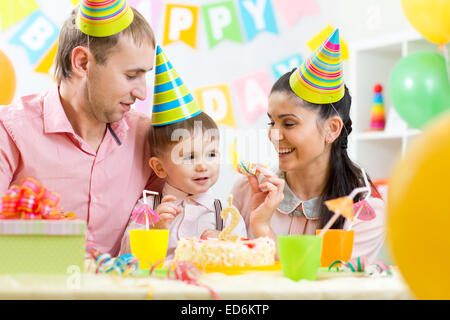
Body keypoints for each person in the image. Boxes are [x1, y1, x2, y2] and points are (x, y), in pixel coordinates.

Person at [0, 1, 164, 256]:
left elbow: (175, 223)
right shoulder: (9, 132)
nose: (142, 93)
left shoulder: (148, 138)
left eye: (145, 75)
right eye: (132, 75)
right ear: (83, 63)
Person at [231, 29, 385, 263]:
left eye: (289, 123)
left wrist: (262, 228)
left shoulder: (364, 211)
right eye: (271, 122)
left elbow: (323, 289)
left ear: (332, 129)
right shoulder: (247, 191)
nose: (274, 135)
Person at [119, 46, 247, 259]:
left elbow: (245, 258)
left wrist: (224, 246)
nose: (202, 165)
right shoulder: (147, 208)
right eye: (189, 157)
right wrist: (156, 230)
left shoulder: (225, 214)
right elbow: (126, 256)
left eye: (211, 154)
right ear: (159, 167)